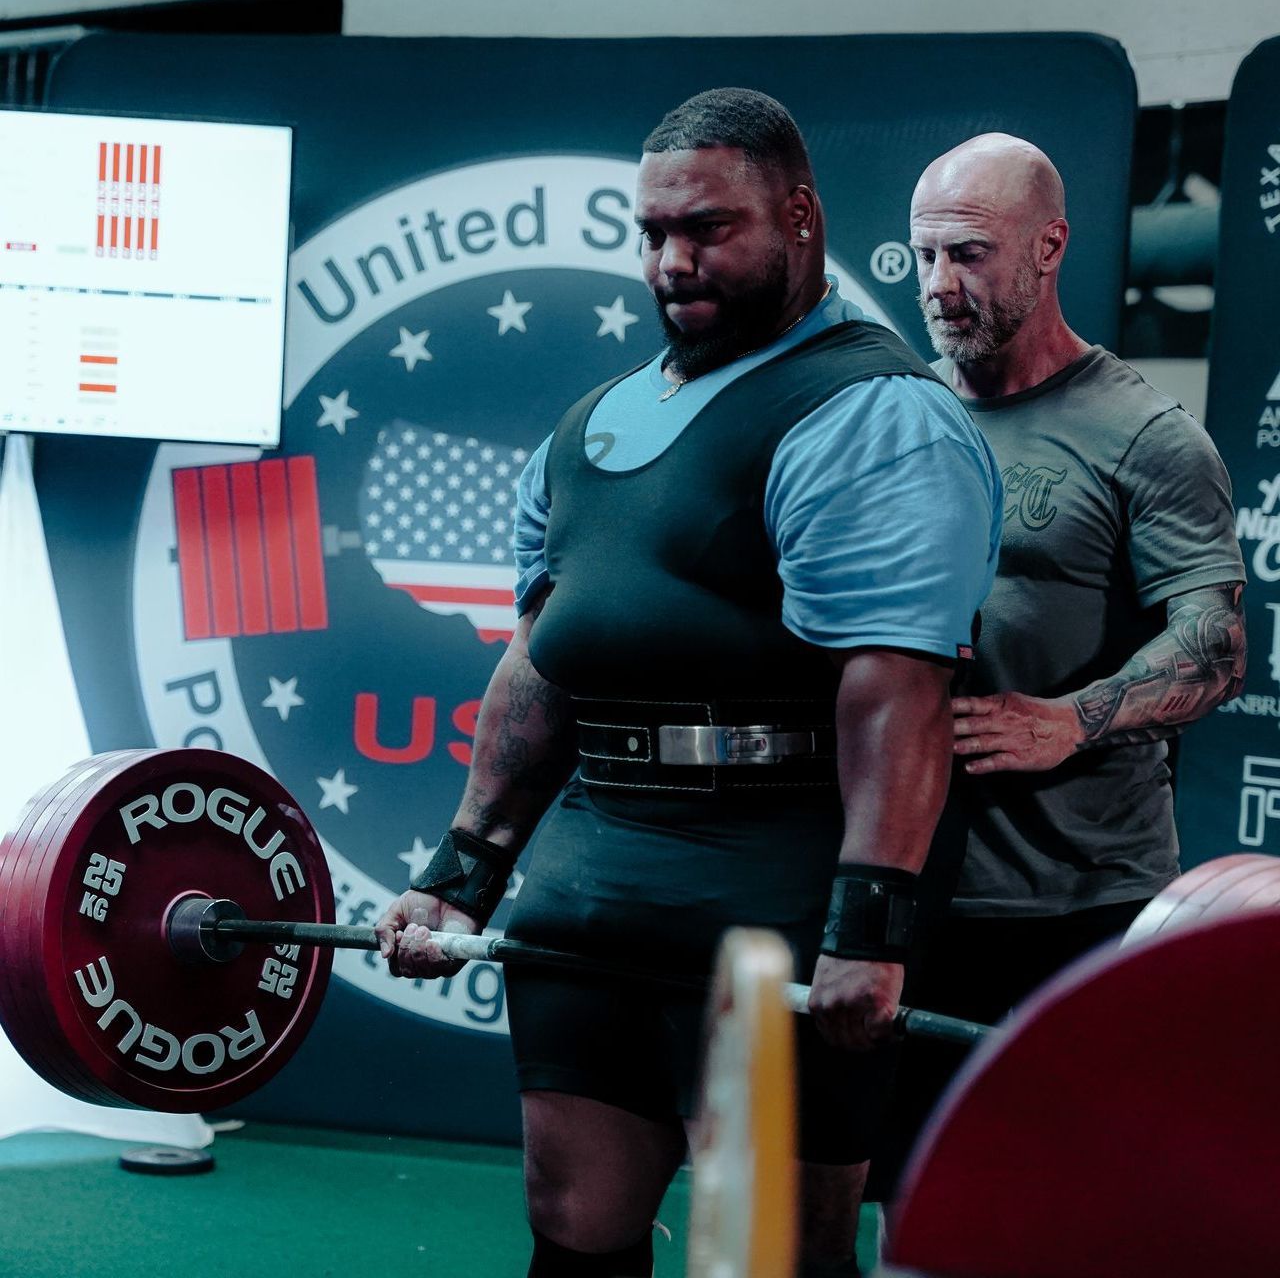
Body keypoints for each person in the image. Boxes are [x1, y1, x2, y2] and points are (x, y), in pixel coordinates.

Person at [376, 89, 1002, 1278]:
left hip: (773, 894)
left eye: (709, 228)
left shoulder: (872, 415)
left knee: (764, 1251)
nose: (673, 260)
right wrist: (462, 876)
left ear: (800, 218)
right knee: (569, 1225)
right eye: (653, 232)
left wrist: (865, 931)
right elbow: (541, 661)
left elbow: (896, 692)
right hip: (592, 880)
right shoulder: (594, 423)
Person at [880, 132, 1248, 1185]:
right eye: (923, 258)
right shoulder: (898, 417)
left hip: (1080, 896)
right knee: (910, 1189)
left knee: (1072, 1188)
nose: (940, 286)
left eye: (969, 255)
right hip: (915, 878)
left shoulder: (1143, 432)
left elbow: (1214, 646)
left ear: (1047, 249)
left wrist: (1068, 716)